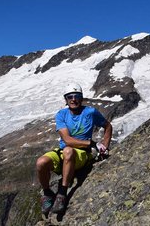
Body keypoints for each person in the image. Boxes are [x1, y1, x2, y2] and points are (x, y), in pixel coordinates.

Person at [35, 83, 112, 215]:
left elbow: (107, 126)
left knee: (68, 151)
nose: (73, 99)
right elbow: (67, 140)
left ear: (81, 98)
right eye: (70, 96)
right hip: (65, 151)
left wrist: (105, 146)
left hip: (81, 154)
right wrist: (92, 144)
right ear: (66, 99)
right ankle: (47, 193)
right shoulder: (61, 114)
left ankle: (62, 194)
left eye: (77, 96)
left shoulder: (90, 112)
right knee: (41, 162)